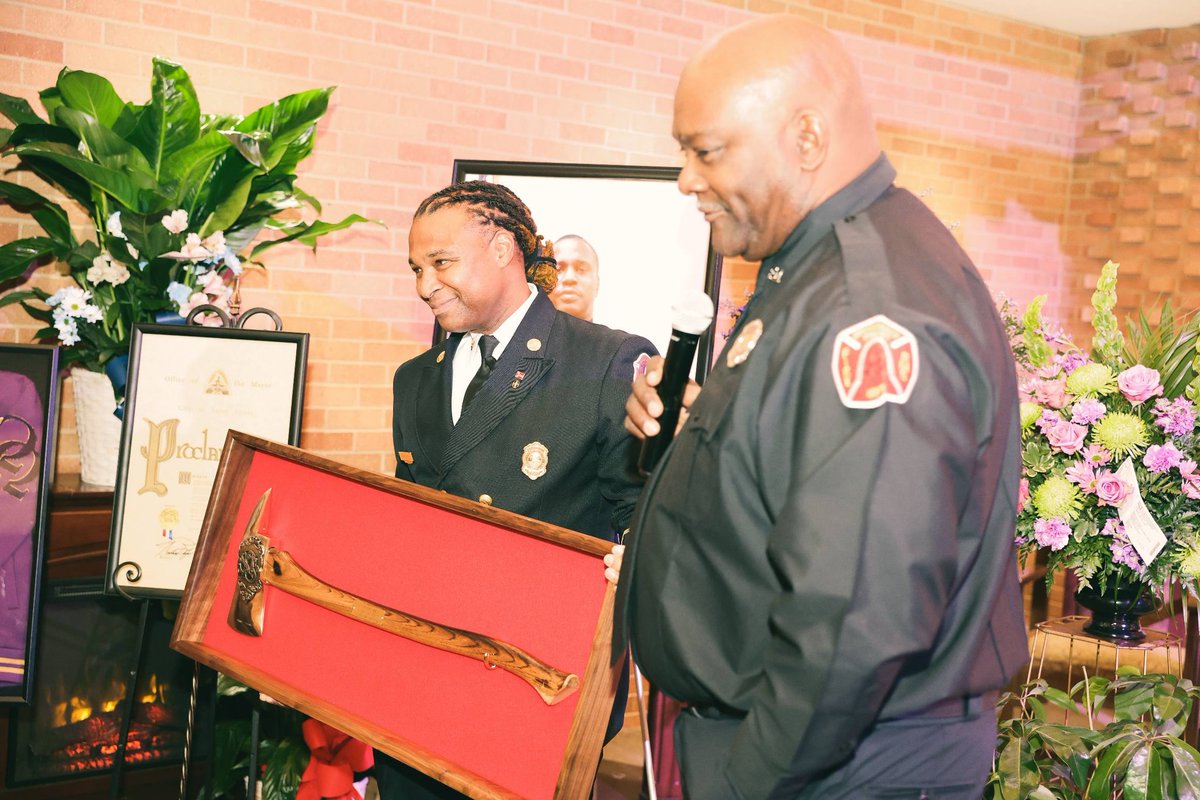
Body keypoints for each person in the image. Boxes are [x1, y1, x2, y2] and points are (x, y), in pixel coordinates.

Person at [613, 16, 1027, 800]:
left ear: (805, 138)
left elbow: (855, 617)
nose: (686, 180)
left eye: (706, 150)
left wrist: (748, 781)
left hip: (828, 766)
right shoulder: (812, 271)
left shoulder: (871, 309)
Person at [383, 181, 655, 799]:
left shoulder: (604, 362)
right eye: (417, 268)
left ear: (503, 247)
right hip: (419, 681)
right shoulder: (413, 380)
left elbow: (645, 522)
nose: (426, 285)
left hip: (534, 688)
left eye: (441, 263)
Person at [548, 234, 600, 322]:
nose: (569, 278)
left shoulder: (619, 336)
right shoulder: (520, 334)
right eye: (558, 269)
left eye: (582, 269)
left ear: (597, 285)